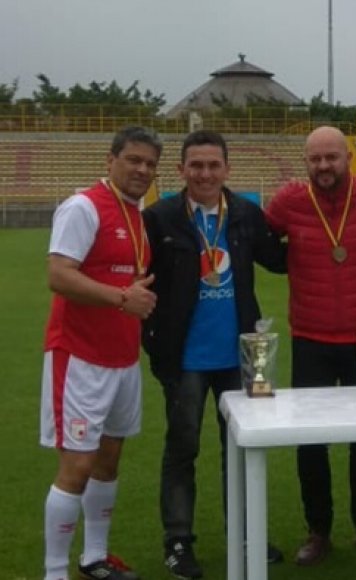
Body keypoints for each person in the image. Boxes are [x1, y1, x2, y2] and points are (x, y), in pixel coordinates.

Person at [142, 130, 288, 578]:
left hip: (239, 358)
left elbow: (281, 260)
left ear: (227, 169)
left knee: (239, 448)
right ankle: (178, 541)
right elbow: (136, 275)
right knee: (182, 449)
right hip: (184, 358)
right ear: (182, 170)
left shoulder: (244, 212)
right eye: (196, 165)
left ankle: (244, 535)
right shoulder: (160, 218)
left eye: (213, 165)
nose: (205, 173)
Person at [265, 125, 356, 566]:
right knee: (311, 442)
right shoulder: (288, 200)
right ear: (305, 162)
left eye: (332, 157)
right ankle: (318, 530)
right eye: (315, 159)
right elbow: (263, 242)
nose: (324, 166)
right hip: (310, 337)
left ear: (348, 157)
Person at [40, 126, 160, 580]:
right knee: (78, 464)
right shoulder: (83, 206)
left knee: (109, 461)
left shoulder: (136, 213)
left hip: (122, 359)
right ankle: (54, 572)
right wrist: (119, 299)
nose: (141, 170)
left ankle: (94, 558)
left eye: (149, 163)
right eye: (133, 159)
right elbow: (58, 274)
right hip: (80, 358)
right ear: (110, 160)